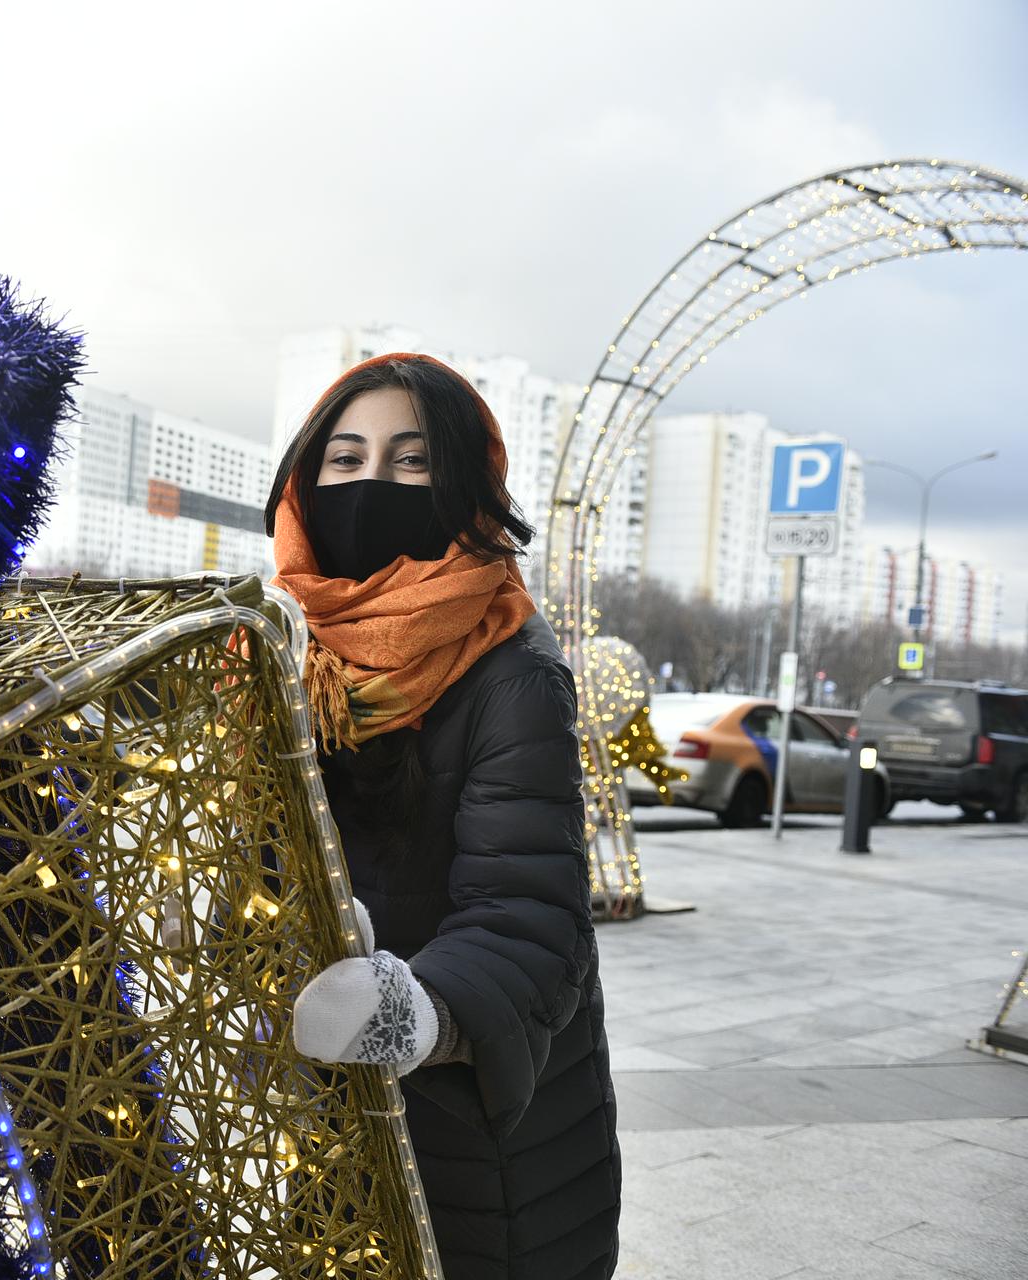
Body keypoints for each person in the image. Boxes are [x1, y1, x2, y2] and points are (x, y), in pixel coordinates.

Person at [268, 353, 619, 1280]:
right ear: (303, 486)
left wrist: (412, 1009)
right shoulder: (281, 655)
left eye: (410, 460)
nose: (370, 481)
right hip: (331, 1116)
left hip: (478, 1136)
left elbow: (530, 919)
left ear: (464, 486)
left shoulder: (511, 670)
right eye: (343, 459)